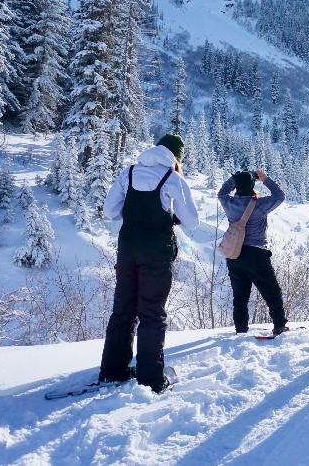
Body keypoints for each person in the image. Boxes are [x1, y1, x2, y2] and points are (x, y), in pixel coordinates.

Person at [98, 134, 199, 392]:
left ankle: (112, 370)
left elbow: (109, 211)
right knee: (152, 313)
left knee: (123, 310)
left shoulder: (129, 173)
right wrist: (171, 217)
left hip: (128, 249)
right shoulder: (173, 178)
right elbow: (192, 221)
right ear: (176, 157)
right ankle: (151, 377)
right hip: (156, 252)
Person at [218, 169, 289, 336]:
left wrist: (233, 179)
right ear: (252, 186)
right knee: (272, 291)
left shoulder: (228, 203)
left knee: (240, 295)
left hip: (234, 254)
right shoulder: (259, 205)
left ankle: (241, 329)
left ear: (236, 186)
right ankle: (279, 324)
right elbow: (280, 196)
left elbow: (222, 192)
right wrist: (265, 179)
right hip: (256, 254)